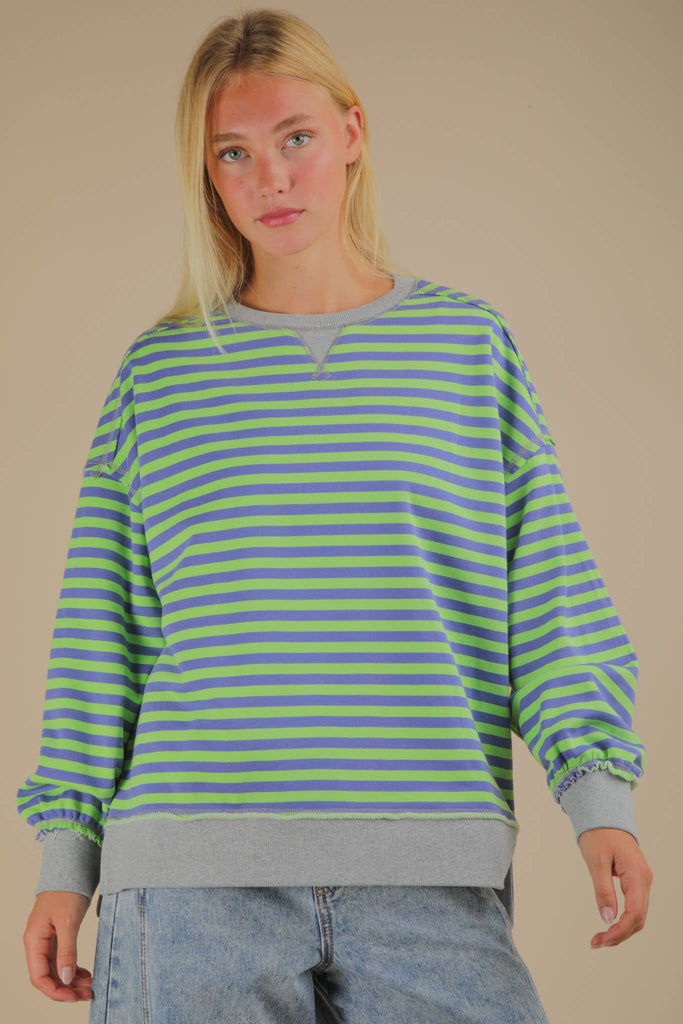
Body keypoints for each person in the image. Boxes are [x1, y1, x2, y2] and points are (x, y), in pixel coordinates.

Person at [18, 8, 652, 1022]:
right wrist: (67, 859)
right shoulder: (162, 372)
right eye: (233, 152)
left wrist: (596, 799)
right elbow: (102, 631)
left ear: (352, 133)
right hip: (190, 883)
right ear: (207, 174)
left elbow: (547, 594)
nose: (269, 178)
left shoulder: (465, 347)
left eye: (295, 138)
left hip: (430, 870)